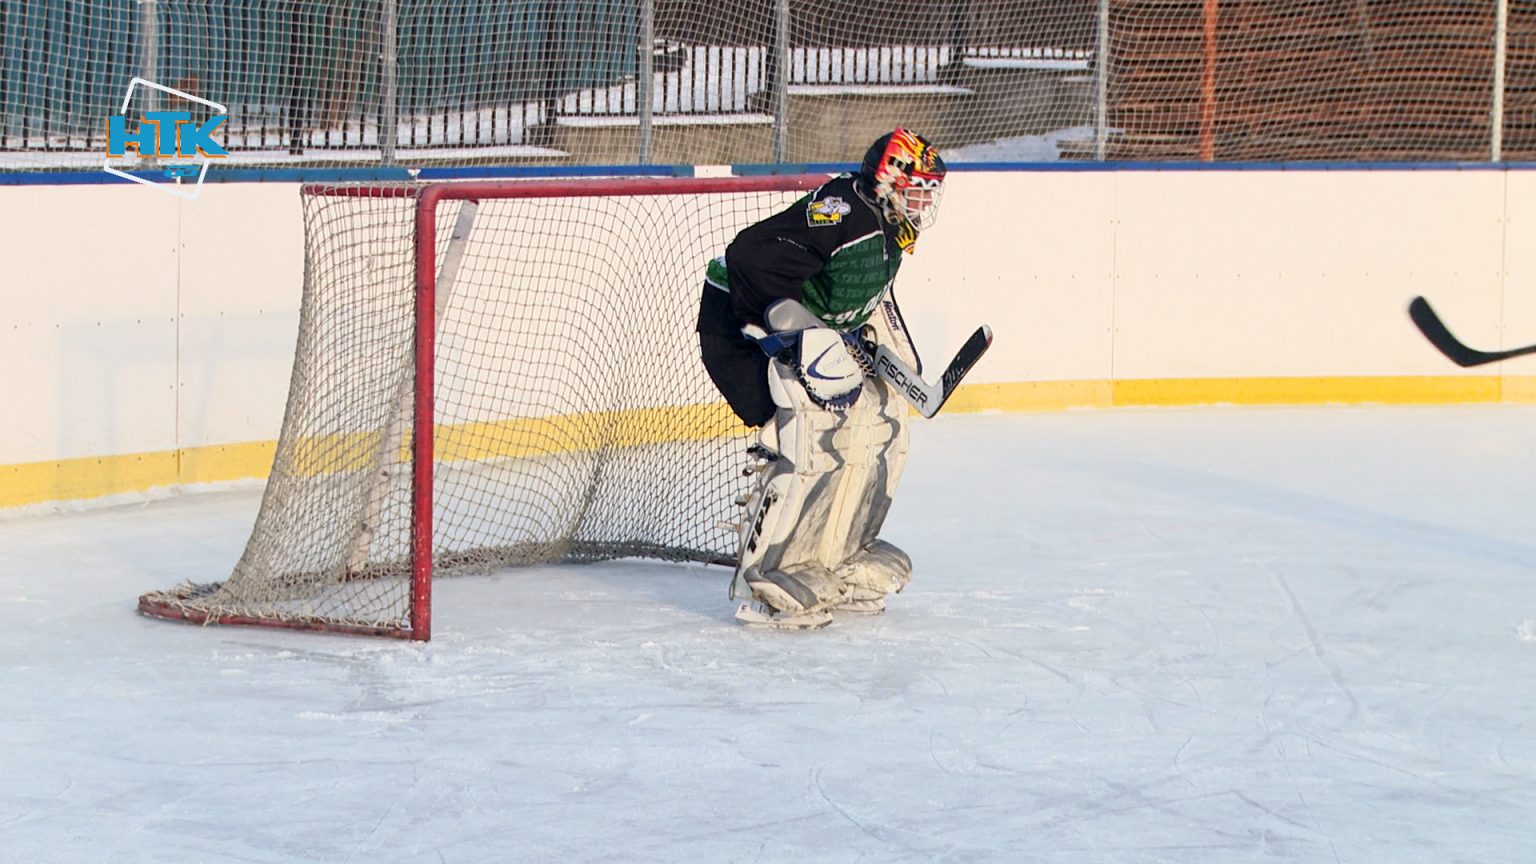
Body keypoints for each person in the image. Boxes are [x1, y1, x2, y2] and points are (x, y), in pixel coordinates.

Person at [695, 128, 949, 629]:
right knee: (806, 437)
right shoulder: (843, 213)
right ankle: (766, 576)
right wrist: (800, 335)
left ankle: (837, 556)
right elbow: (747, 258)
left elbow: (870, 300)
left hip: (799, 333)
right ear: (890, 181)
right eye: (918, 187)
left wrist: (896, 357)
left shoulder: (892, 233)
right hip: (738, 326)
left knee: (877, 430)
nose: (924, 201)